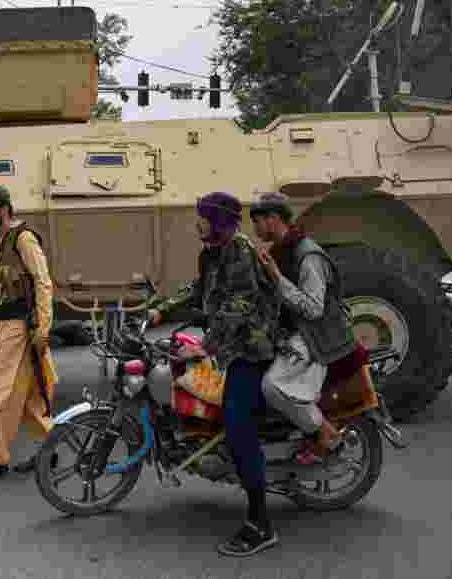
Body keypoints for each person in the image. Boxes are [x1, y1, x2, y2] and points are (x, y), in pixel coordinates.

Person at [147, 192, 280, 557]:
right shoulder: (211, 252)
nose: (198, 223)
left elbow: (239, 305)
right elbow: (199, 290)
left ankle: (260, 523)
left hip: (253, 348)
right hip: (229, 344)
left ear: (219, 220)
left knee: (238, 424)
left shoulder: (240, 250)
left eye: (203, 217)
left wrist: (205, 347)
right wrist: (158, 312)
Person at [0, 185, 58, 484]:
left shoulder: (24, 239)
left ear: (4, 208)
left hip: (20, 329)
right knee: (29, 398)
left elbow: (43, 282)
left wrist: (43, 328)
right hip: (7, 327)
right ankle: (50, 450)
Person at [249, 193, 355, 463]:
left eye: (257, 221)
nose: (255, 229)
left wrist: (276, 277)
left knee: (272, 386)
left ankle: (324, 431)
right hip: (293, 332)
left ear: (273, 220)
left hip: (317, 336)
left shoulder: (307, 255)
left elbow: (313, 309)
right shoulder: (280, 251)